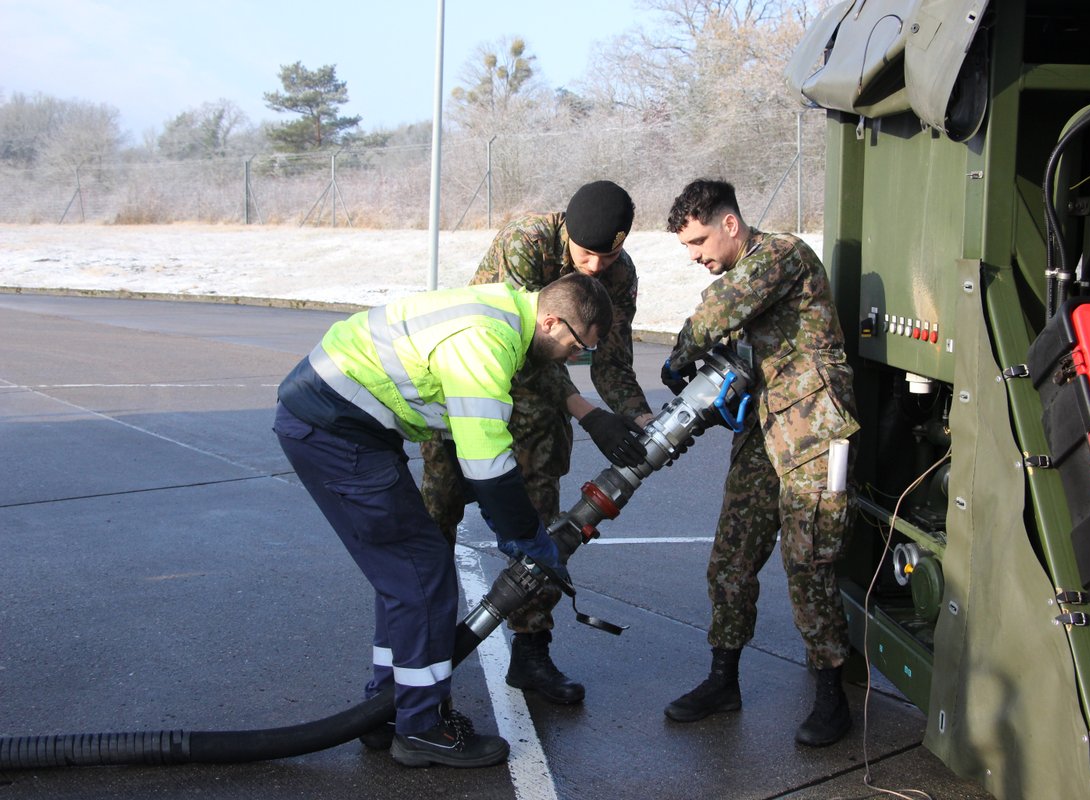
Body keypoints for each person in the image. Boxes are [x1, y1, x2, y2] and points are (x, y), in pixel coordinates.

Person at [273, 273, 613, 768]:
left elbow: (468, 437)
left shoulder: (497, 312)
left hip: (338, 420)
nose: (572, 358)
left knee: (406, 575)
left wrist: (507, 526)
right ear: (552, 321)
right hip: (335, 427)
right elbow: (488, 465)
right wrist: (528, 537)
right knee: (421, 574)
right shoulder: (486, 342)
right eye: (577, 346)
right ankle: (421, 727)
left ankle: (387, 708)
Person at [419, 180, 654, 705]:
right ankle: (421, 659)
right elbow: (532, 349)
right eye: (587, 252)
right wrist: (590, 414)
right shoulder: (527, 241)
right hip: (471, 390)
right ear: (566, 232)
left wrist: (637, 417)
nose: (595, 266)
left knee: (541, 525)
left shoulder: (620, 273)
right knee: (436, 524)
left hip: (539, 415)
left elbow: (611, 357)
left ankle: (531, 653)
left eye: (609, 254)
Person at [659, 179, 861, 747]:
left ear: (730, 224)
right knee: (731, 557)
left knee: (809, 561)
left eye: (699, 241)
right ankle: (723, 680)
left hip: (813, 431)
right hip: (763, 429)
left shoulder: (780, 254)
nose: (696, 255)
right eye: (687, 247)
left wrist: (679, 357)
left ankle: (831, 698)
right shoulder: (742, 269)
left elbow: (719, 311)